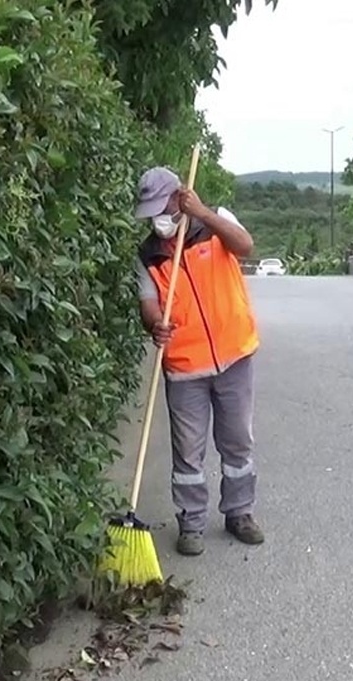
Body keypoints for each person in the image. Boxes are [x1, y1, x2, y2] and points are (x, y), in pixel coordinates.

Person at [132, 166, 264, 556]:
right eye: (151, 212)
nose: (158, 219)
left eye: (162, 207)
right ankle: (190, 523)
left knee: (237, 442)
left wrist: (204, 213)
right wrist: (156, 325)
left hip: (233, 356)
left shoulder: (216, 222)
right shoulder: (148, 255)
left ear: (179, 198)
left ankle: (239, 513)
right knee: (187, 451)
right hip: (184, 367)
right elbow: (148, 306)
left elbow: (245, 246)